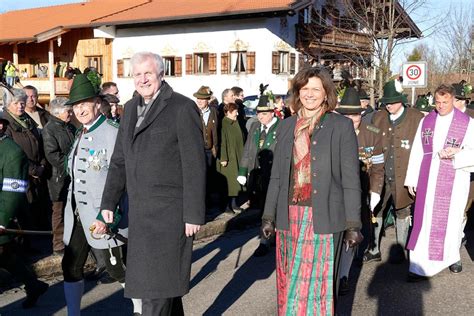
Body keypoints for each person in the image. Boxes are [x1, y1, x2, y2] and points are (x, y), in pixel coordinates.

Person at [99, 52, 206, 316]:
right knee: (162, 288)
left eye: (148, 73)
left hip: (170, 216)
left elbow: (194, 165)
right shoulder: (130, 108)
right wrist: (108, 202)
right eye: (137, 74)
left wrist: (193, 213)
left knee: (155, 293)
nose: (143, 79)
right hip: (141, 216)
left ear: (161, 74)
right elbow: (119, 160)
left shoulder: (182, 107)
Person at [261, 67, 362, 314]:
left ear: (326, 94)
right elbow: (277, 176)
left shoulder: (341, 126)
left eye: (316, 89)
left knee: (317, 288)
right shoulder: (285, 127)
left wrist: (353, 224)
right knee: (291, 286)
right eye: (304, 89)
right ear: (297, 93)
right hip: (289, 217)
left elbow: (350, 179)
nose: (309, 94)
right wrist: (268, 216)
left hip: (324, 218)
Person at [61, 74, 140, 315]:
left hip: (103, 214)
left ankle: (141, 308)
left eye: (84, 103)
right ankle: (73, 313)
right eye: (76, 106)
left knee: (117, 267)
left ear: (97, 103)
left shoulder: (113, 132)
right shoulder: (79, 133)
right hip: (77, 215)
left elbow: (124, 179)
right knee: (71, 266)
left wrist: (109, 215)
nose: (80, 109)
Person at [405, 84, 474, 280]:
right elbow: (417, 150)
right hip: (428, 178)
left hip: (454, 178)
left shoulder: (467, 123)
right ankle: (419, 267)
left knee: (451, 220)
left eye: (445, 102)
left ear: (453, 100)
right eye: (438, 102)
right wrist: (412, 179)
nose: (441, 106)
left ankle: (452, 257)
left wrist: (457, 153)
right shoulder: (426, 121)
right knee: (424, 221)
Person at [335, 87, 385, 295]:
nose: (350, 118)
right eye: (345, 114)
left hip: (360, 193)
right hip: (335, 193)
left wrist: (375, 192)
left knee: (351, 233)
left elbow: (378, 167)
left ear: (360, 114)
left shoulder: (373, 134)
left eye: (353, 114)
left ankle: (344, 275)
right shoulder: (330, 131)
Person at [368, 79, 424, 264]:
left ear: (402, 99)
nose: (388, 105)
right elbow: (371, 134)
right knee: (377, 209)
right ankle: (374, 248)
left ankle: (401, 249)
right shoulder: (378, 117)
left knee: (402, 210)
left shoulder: (416, 118)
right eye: (386, 101)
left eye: (392, 101)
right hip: (381, 174)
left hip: (404, 175)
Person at [0, 118, 49, 309]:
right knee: (4, 256)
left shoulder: (12, 152)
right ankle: (34, 285)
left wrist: (2, 221)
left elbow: (13, 192)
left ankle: (33, 285)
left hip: (2, 215)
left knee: (4, 254)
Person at [2, 87, 50, 233]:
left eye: (22, 102)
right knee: (22, 210)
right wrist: (33, 170)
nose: (20, 106)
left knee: (36, 208)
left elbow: (39, 144)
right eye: (16, 103)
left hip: (37, 172)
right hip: (20, 173)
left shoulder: (27, 120)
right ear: (8, 104)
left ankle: (36, 239)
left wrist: (42, 165)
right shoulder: (6, 123)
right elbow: (12, 152)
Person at [237, 95, 279, 257]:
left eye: (264, 113)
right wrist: (242, 171)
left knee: (273, 208)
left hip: (275, 176)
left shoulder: (281, 128)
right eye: (259, 113)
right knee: (263, 208)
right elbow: (248, 149)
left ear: (272, 113)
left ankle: (266, 240)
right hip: (258, 175)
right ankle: (268, 234)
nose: (261, 116)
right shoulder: (255, 127)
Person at [42, 97, 76, 255]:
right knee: (59, 210)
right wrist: (71, 163)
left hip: (71, 174)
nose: (71, 114)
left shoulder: (68, 126)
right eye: (68, 111)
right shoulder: (50, 129)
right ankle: (58, 244)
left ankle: (71, 240)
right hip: (59, 177)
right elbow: (52, 154)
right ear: (58, 113)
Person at [217, 102, 245, 214]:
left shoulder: (236, 122)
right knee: (228, 182)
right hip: (228, 157)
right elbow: (222, 142)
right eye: (234, 112)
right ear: (228, 112)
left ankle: (234, 203)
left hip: (237, 155)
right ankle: (226, 205)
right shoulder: (224, 123)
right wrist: (224, 157)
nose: (237, 114)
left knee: (235, 181)